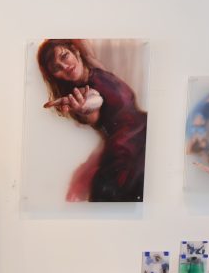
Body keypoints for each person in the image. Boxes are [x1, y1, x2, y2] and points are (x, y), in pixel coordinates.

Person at [37, 39, 148, 202]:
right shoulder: (82, 93)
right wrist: (84, 108)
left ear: (75, 51)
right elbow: (92, 107)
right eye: (56, 68)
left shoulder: (93, 66)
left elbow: (84, 48)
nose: (65, 66)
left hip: (143, 131)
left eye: (64, 56)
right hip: (125, 150)